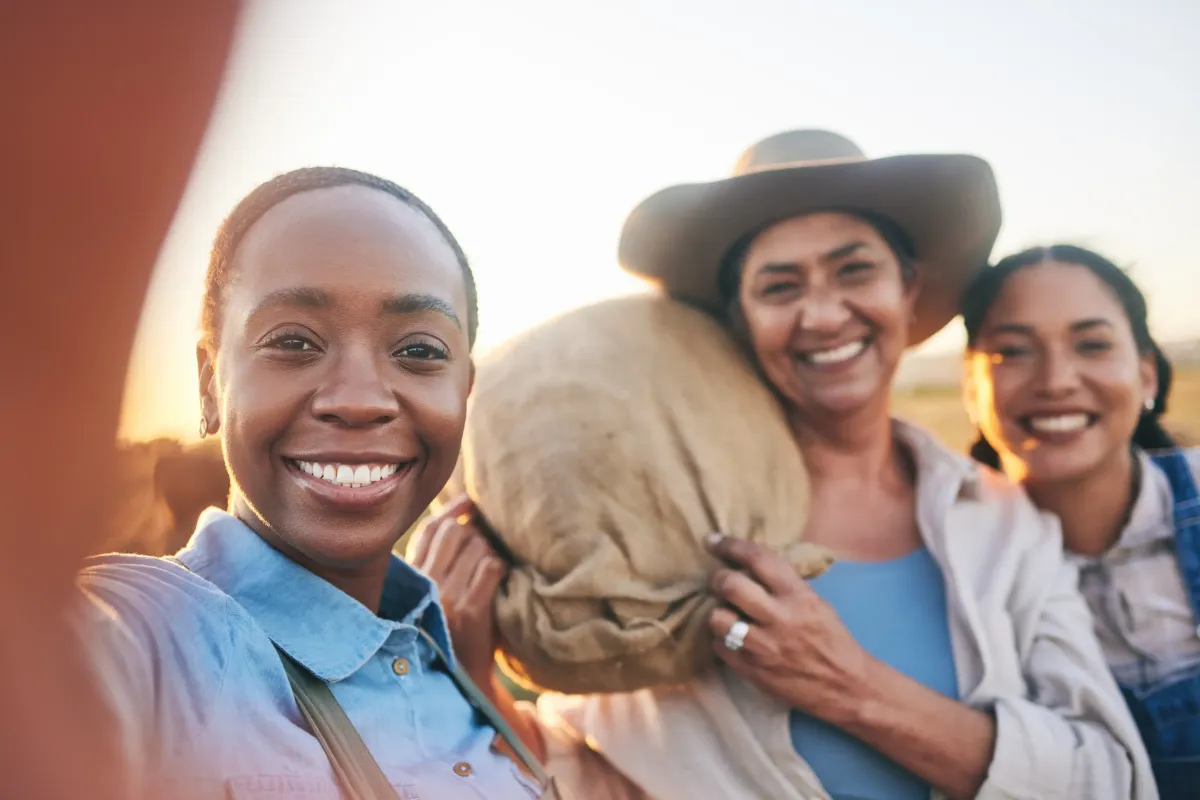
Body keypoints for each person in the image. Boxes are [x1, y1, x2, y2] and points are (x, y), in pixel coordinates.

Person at [417, 131, 1157, 799]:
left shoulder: (999, 520)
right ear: (738, 319)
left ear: (908, 290)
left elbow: (1110, 779)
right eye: (780, 286)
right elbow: (584, 771)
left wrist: (850, 686)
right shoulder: (661, 522)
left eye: (853, 270)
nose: (823, 313)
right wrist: (472, 675)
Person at [75, 167, 561, 798]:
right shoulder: (153, 635)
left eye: (419, 351)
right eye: (295, 341)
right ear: (208, 382)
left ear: (463, 393)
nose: (359, 401)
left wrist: (475, 677)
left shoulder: (458, 684)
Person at [961, 244, 1199, 796]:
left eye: (1091, 345)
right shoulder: (956, 561)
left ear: (1147, 377)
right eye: (1013, 351)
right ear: (971, 387)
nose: (1056, 380)